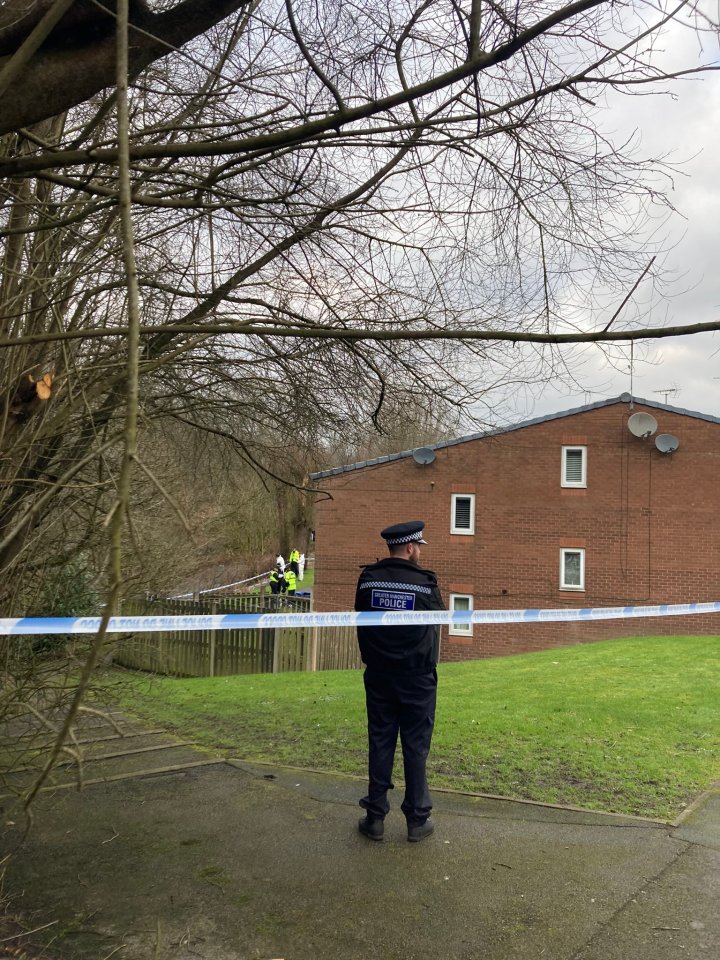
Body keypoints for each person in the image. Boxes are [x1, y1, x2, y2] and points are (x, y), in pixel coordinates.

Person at [354, 520, 445, 843]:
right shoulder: (425, 583)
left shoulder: (367, 581)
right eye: (418, 546)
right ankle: (417, 820)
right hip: (417, 678)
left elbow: (362, 623)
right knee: (415, 746)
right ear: (409, 548)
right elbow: (437, 625)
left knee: (380, 741)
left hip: (379, 676)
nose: (419, 551)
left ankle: (375, 817)